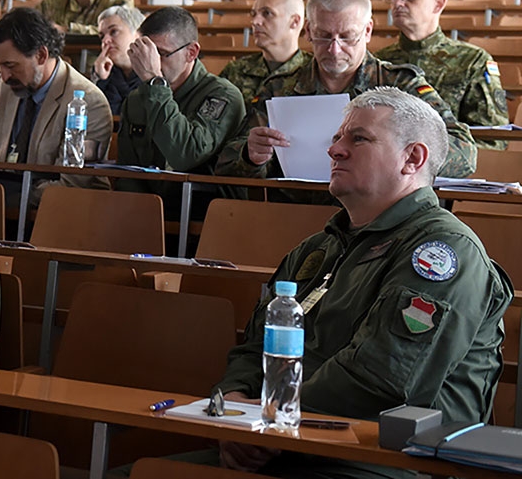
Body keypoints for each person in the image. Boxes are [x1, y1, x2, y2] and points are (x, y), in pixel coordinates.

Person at [211, 88, 510, 478]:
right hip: (284, 443)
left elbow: (383, 378)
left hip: (379, 460)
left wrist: (272, 424)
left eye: (359, 138)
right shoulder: (318, 248)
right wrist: (233, 405)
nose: (335, 150)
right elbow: (255, 346)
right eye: (337, 138)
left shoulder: (442, 252)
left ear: (412, 158)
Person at [216, 0, 478, 181]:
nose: (334, 49)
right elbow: (226, 163)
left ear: (367, 31)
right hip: (296, 215)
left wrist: (398, 155)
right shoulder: (280, 87)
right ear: (307, 31)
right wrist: (251, 156)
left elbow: (463, 151)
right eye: (323, 35)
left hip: (379, 221)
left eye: (347, 37)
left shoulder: (401, 85)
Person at [0, 8, 112, 207]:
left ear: (40, 55)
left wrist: (5, 194)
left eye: (11, 65)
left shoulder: (88, 103)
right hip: (6, 205)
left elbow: (71, 185)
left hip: (62, 215)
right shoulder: (4, 87)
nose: (3, 76)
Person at [112, 8, 244, 216]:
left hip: (205, 220)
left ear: (191, 52)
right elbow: (128, 173)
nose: (151, 63)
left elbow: (185, 154)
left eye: (161, 54)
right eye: (146, 53)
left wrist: (156, 83)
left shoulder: (223, 95)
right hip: (146, 216)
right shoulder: (137, 99)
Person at [376, 0, 509, 143]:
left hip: (450, 165)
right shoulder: (379, 61)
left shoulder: (472, 61)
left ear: (438, 3)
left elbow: (493, 138)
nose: (398, 4)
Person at [219, 0, 310, 107]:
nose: (255, 21)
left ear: (295, 21)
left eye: (267, 13)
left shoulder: (313, 72)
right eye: (253, 14)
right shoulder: (236, 71)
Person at [93, 5, 145, 115]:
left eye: (114, 31)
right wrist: (99, 79)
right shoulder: (102, 71)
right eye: (101, 36)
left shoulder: (155, 71)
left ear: (137, 34)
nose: (105, 41)